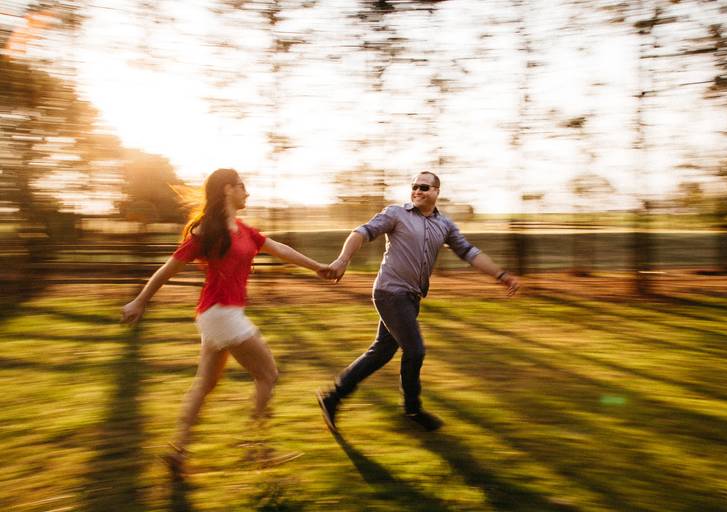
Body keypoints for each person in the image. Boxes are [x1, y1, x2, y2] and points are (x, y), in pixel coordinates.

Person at [121, 168, 330, 474]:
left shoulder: (244, 230)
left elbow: (280, 250)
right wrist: (140, 300)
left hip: (217, 315)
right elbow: (168, 269)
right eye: (242, 186)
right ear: (227, 190)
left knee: (205, 384)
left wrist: (317, 267)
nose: (247, 192)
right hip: (221, 313)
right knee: (268, 374)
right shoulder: (207, 231)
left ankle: (178, 450)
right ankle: (256, 448)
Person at [316, 171, 519, 433]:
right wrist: (343, 260)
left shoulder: (444, 225)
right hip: (390, 292)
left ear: (436, 191)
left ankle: (333, 397)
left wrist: (501, 275)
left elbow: (469, 252)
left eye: (424, 187)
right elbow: (361, 232)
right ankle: (413, 409)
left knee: (382, 352)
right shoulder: (396, 214)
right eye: (414, 187)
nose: (417, 191)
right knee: (415, 350)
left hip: (411, 297)